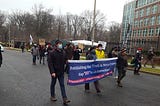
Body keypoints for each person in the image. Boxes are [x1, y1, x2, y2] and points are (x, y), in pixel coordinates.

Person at [48, 40, 70, 105]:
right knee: (53, 84)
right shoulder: (52, 53)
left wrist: (67, 61)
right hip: (54, 72)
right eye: (59, 44)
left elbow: (66, 59)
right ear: (56, 45)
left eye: (61, 44)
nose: (61, 45)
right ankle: (52, 96)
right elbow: (50, 63)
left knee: (62, 85)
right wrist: (52, 72)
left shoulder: (63, 52)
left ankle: (65, 98)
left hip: (61, 72)